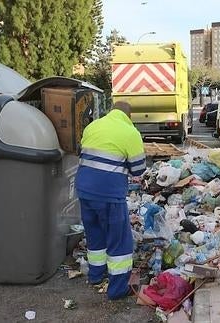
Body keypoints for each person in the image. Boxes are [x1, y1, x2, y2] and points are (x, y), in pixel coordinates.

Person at [75, 101, 146, 300]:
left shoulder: (93, 126)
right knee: (119, 240)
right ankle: (117, 289)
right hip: (108, 194)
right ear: (129, 116)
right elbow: (139, 170)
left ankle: (96, 276)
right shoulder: (130, 132)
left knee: (95, 234)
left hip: (84, 190)